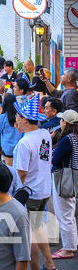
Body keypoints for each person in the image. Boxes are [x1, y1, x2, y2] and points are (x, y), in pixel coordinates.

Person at [13, 95, 55, 270]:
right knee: (37, 229)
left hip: (29, 194)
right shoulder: (44, 134)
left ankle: (36, 268)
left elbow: (21, 174)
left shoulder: (24, 143)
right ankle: (50, 264)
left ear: (24, 119)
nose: (15, 120)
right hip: (44, 190)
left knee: (29, 235)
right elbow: (44, 158)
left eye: (17, 117)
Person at [50, 109, 78, 260]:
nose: (59, 122)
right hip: (73, 178)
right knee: (69, 214)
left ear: (65, 123)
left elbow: (55, 160)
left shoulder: (68, 139)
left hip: (64, 179)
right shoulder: (75, 137)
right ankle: (71, 244)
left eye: (61, 120)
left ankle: (69, 248)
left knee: (64, 214)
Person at [0, 93, 21, 166]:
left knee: (9, 168)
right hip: (19, 146)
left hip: (7, 147)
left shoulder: (3, 117)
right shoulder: (20, 117)